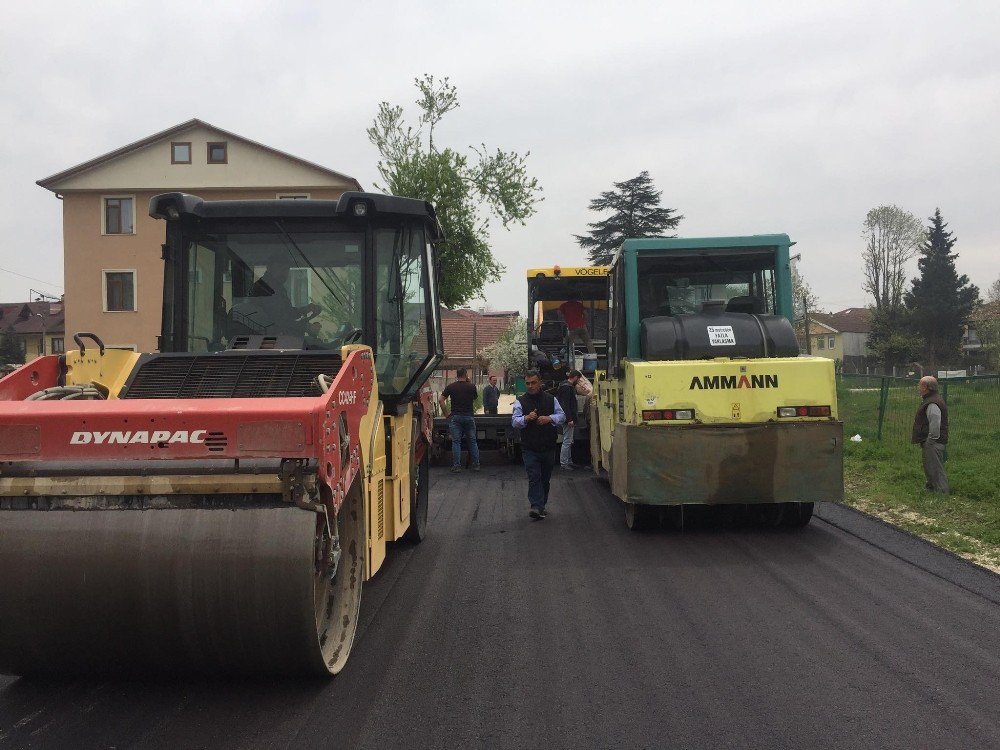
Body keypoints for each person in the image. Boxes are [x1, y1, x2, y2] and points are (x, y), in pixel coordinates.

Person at [512, 369, 566, 519]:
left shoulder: (551, 399)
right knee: (534, 476)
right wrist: (526, 418)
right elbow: (514, 422)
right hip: (529, 447)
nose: (530, 386)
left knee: (545, 478)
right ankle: (536, 506)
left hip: (548, 446)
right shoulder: (520, 401)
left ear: (540, 383)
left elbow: (562, 416)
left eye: (533, 383)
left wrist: (549, 419)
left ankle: (541, 505)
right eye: (527, 383)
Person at [250, 263, 322, 333]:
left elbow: (285, 313)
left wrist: (305, 309)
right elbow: (278, 319)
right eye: (281, 269)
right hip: (270, 338)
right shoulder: (265, 287)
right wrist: (306, 327)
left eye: (286, 270)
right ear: (270, 268)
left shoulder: (276, 286)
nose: (284, 274)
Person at [911, 375, 949, 494]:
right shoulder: (930, 399)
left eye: (920, 385)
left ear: (926, 387)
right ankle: (931, 488)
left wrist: (930, 440)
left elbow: (935, 423)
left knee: (935, 467)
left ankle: (942, 492)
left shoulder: (932, 403)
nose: (919, 387)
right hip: (931, 441)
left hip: (933, 441)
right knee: (930, 466)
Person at [439, 367, 481, 473]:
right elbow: (475, 398)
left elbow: (441, 400)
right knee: (472, 441)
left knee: (456, 442)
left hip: (456, 417)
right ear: (466, 374)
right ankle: (476, 465)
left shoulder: (451, 387)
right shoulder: (471, 386)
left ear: (456, 375)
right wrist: (469, 382)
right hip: (469, 417)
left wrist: (446, 413)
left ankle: (457, 466)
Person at [557, 370, 581, 470]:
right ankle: (564, 463)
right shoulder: (567, 387)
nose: (578, 381)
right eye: (578, 379)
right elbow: (565, 404)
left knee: (569, 440)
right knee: (567, 440)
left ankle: (569, 461)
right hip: (568, 418)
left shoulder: (564, 385)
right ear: (575, 377)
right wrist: (569, 419)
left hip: (567, 417)